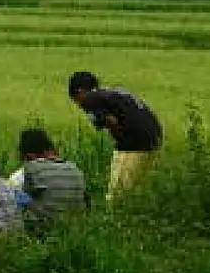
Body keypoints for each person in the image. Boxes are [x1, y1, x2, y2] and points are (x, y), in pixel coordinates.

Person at [68, 71, 163, 203]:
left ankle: (115, 218)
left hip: (134, 143)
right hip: (154, 137)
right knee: (138, 189)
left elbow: (111, 121)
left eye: (76, 100)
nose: (79, 105)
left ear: (79, 92)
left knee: (117, 195)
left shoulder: (90, 99)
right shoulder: (114, 92)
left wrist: (119, 137)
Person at [5, 128, 87, 231]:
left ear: (28, 155)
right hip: (75, 228)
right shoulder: (74, 169)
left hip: (43, 230)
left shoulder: (24, 172)